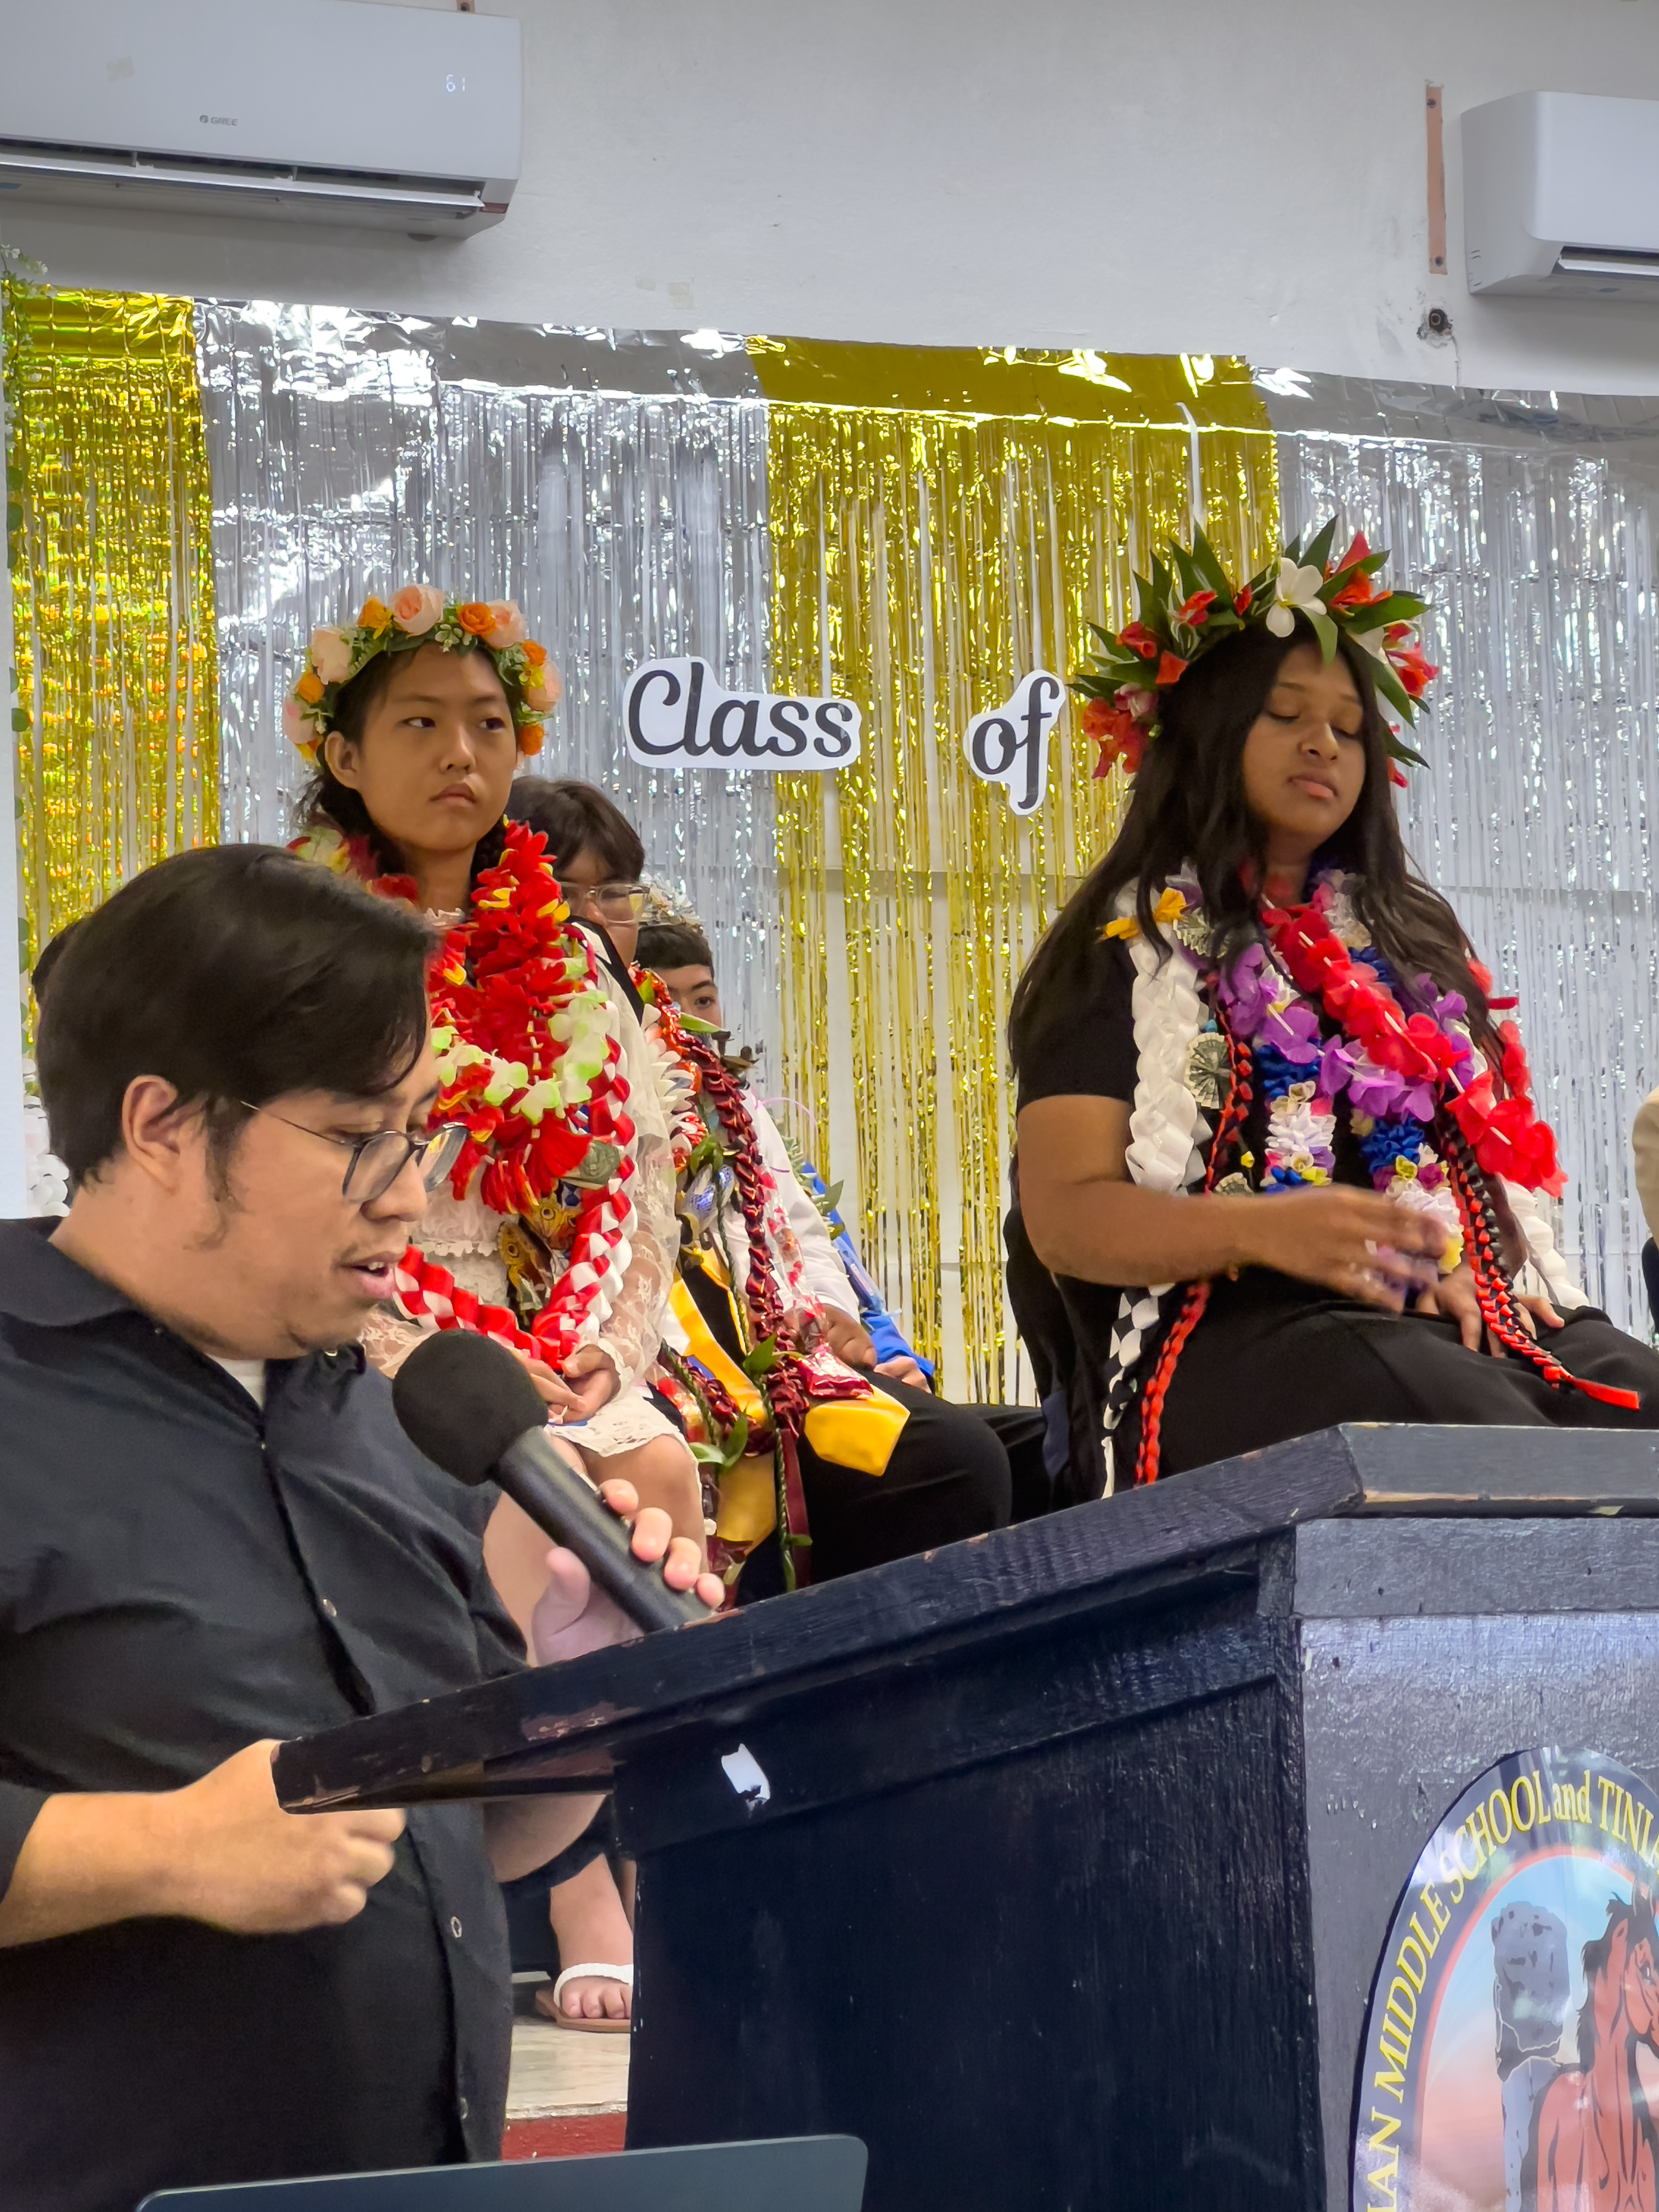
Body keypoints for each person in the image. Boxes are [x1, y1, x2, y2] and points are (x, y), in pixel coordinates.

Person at [0, 844, 719, 2212]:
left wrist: (576, 1696)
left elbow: (466, 1849)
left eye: (421, 1135)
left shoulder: (398, 1414)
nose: (408, 1193)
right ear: (159, 1125)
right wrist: (155, 1853)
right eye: (354, 1138)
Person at [1009, 519, 1659, 1494]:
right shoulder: (1126, 947)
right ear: (1205, 733)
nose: (1324, 743)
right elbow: (1064, 1217)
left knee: (1634, 1408)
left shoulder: (1413, 940)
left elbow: (1477, 1170)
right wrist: (1270, 1231)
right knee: (1479, 1439)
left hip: (1476, 1316)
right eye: (1285, 714)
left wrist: (1464, 1254)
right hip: (1234, 1328)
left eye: (1351, 729)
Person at [284, 596, 701, 2033]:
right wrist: (462, 1368)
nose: (461, 754)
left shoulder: (576, 959)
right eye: (417, 723)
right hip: (365, 1337)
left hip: (553, 1341)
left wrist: (600, 1345)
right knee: (519, 1495)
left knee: (654, 1467)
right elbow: (319, 1182)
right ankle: (525, 1893)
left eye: (487, 724)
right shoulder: (310, 943)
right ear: (339, 751)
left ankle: (646, 1861)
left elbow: (637, 1179)